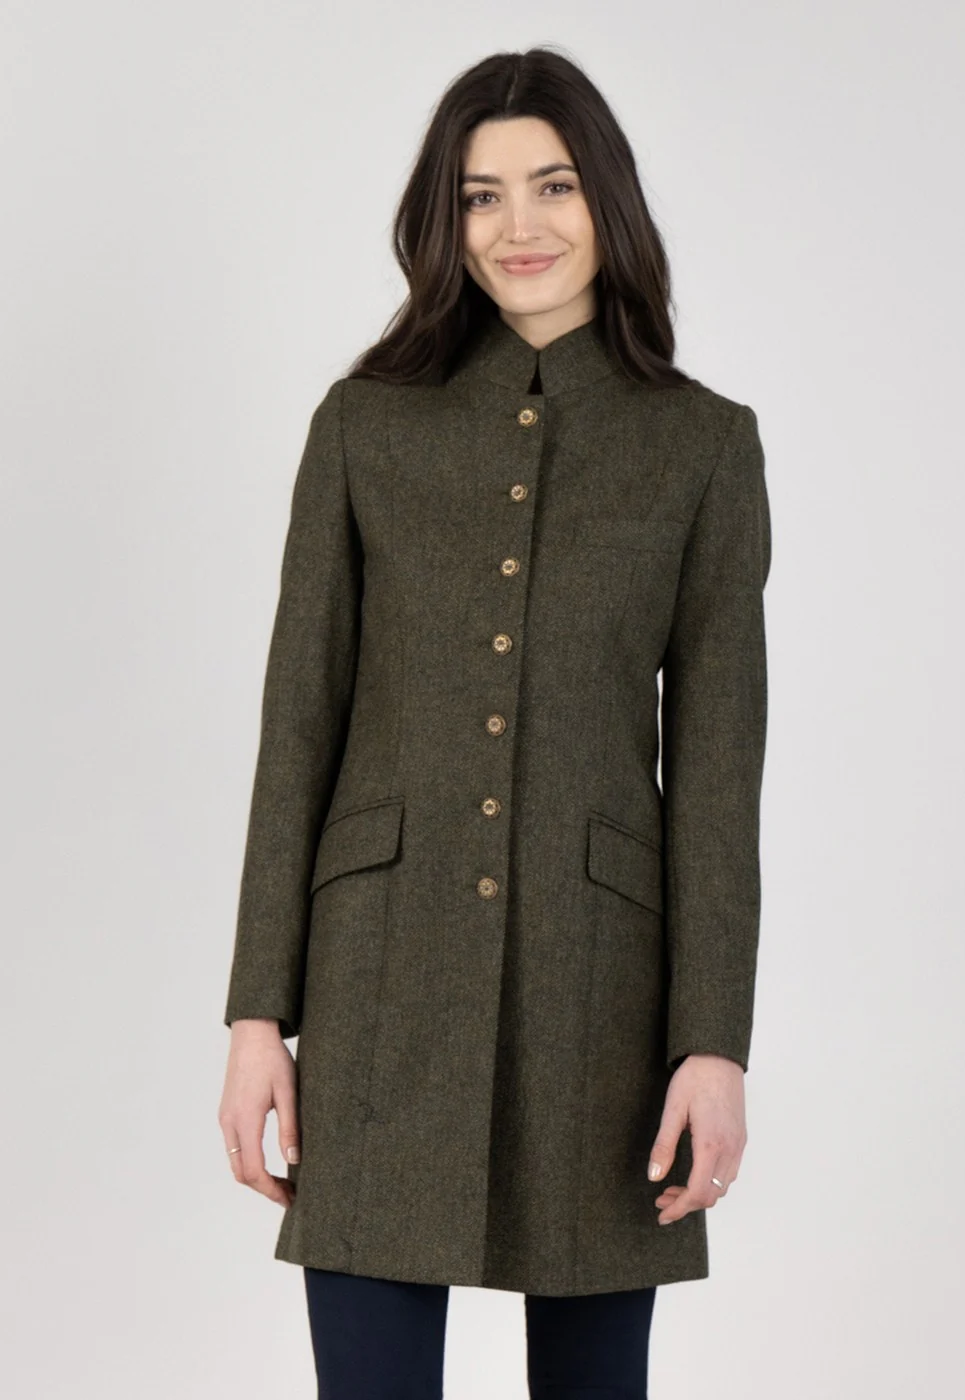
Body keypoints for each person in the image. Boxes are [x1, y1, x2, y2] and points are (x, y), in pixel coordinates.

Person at [218, 45, 772, 1400]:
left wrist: (713, 1040)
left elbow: (718, 764)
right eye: (480, 196)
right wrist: (256, 1016)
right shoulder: (366, 426)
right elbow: (299, 723)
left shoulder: (700, 446)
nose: (518, 225)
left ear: (608, 201)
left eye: (553, 185)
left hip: (602, 996)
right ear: (445, 219)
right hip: (377, 976)